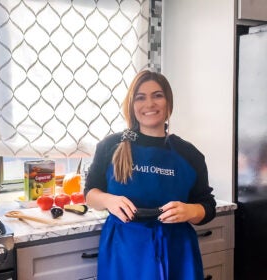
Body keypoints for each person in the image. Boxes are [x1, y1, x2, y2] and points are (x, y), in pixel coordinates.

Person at [84, 70, 216, 280]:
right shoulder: (110, 146)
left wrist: (189, 210)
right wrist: (108, 200)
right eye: (140, 97)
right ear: (132, 104)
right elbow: (90, 193)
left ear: (168, 102)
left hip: (177, 250)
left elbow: (207, 206)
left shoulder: (189, 154)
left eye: (157, 95)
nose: (149, 104)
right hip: (124, 251)